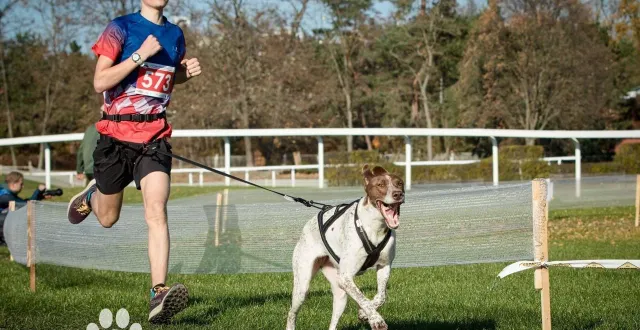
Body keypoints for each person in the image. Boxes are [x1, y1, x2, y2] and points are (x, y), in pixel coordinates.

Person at [66, 0, 201, 324]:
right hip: (115, 135)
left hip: (155, 135)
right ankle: (92, 195)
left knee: (156, 210)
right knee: (108, 219)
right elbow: (101, 82)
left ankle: (158, 292)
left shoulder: (174, 34)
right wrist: (139, 53)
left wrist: (185, 73)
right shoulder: (120, 28)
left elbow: (166, 79)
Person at [0, 172, 50, 245]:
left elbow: (24, 202)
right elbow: (23, 205)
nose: (23, 186)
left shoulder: (7, 193)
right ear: (13, 184)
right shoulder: (4, 195)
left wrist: (40, 196)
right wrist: (38, 191)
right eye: (21, 184)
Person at [76, 117, 100, 183]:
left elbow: (81, 150)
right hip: (101, 169)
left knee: (91, 191)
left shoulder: (90, 129)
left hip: (89, 170)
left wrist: (79, 170)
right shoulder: (109, 128)